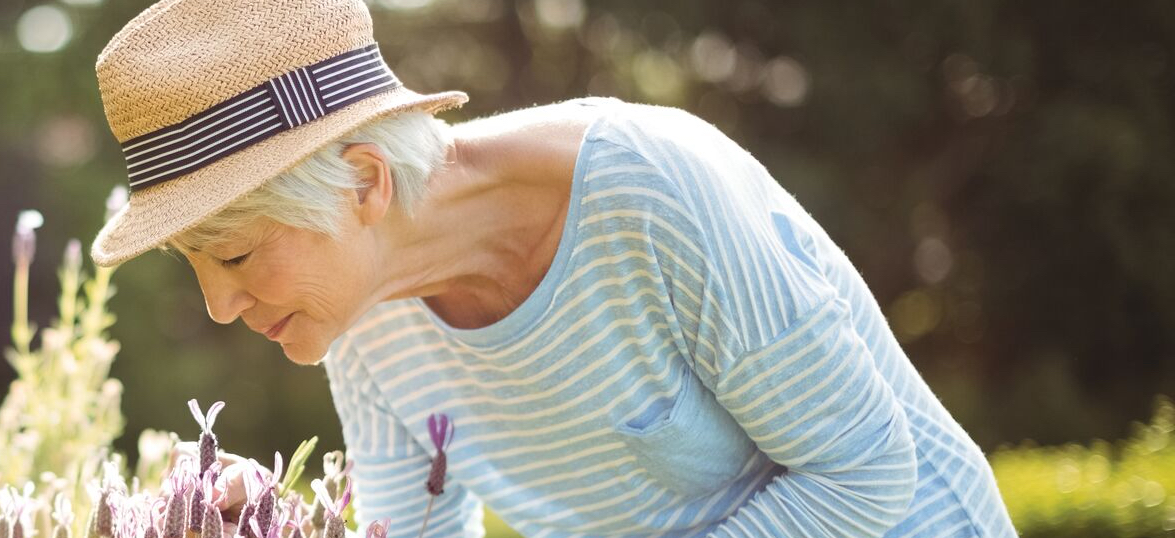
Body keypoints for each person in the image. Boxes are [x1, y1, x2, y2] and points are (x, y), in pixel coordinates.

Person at [88, 0, 1019, 536]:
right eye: (193, 265)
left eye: (238, 254)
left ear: (363, 182)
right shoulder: (362, 323)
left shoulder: (652, 190)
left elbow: (863, 474)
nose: (216, 305)